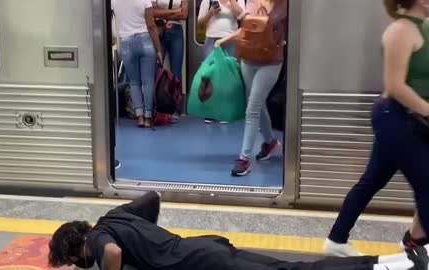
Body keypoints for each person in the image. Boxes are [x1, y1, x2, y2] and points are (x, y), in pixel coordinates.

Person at [48, 191, 429, 270]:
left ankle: (391, 266)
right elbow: (152, 198)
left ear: (75, 247)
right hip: (203, 250)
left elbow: (112, 255)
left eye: (70, 262)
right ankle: (397, 261)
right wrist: (149, 240)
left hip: (203, 264)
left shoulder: (98, 240)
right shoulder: (115, 215)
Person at [324, 0, 429, 257]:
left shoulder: (424, 28)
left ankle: (337, 240)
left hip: (414, 119)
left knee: (373, 180)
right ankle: (418, 244)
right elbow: (394, 86)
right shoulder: (401, 30)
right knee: (426, 183)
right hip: (395, 117)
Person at [215, 0, 286, 176]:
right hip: (249, 58)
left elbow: (266, 25)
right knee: (256, 103)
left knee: (253, 107)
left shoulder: (283, 4)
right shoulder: (253, 2)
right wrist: (225, 40)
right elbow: (248, 29)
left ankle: (244, 159)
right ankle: (270, 142)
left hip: (271, 60)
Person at [111, 0, 164, 128]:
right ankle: (148, 117)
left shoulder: (113, 1)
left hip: (126, 42)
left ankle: (139, 117)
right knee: (148, 82)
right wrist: (158, 49)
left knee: (134, 82)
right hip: (144, 39)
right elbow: (151, 25)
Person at [197, 0, 245, 125]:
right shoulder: (207, 1)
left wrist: (232, 2)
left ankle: (225, 110)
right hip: (211, 39)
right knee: (210, 75)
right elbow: (200, 23)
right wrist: (211, 13)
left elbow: (242, 16)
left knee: (227, 75)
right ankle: (211, 111)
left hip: (230, 39)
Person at [152, 0, 188, 82]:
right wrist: (175, 11)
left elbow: (184, 15)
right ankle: (157, 94)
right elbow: (153, 12)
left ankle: (176, 94)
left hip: (176, 32)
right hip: (159, 31)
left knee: (176, 72)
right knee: (155, 68)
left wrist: (161, 14)